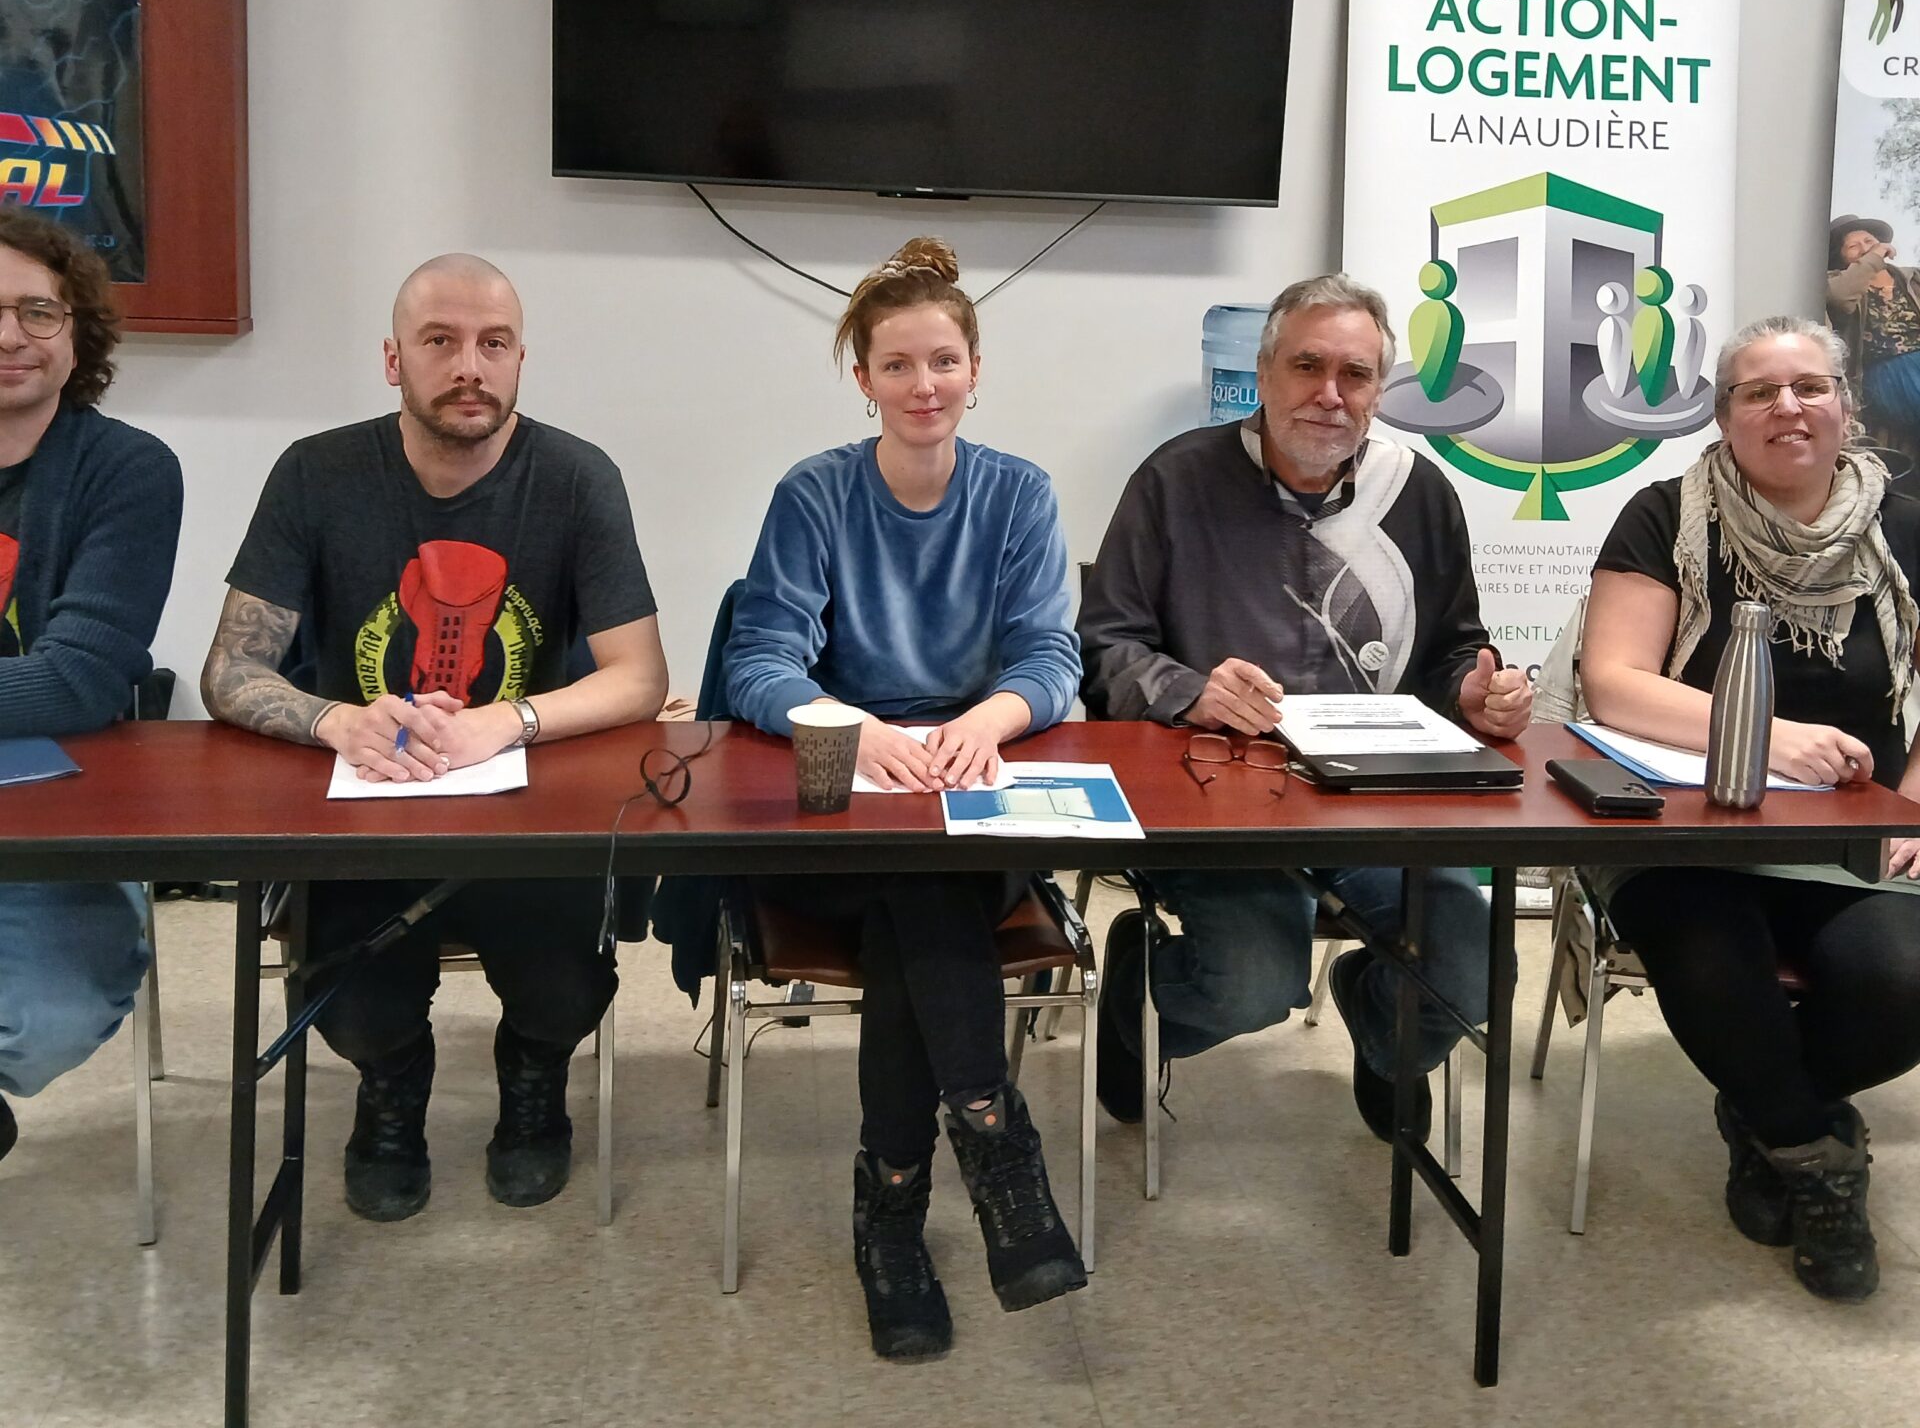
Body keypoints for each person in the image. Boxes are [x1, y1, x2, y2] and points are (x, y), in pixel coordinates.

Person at [201, 254, 665, 1221]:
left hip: (523, 806)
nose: (470, 366)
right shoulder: (316, 473)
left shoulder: (578, 478)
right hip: (362, 801)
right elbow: (229, 671)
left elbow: (641, 678)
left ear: (520, 360)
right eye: (440, 342)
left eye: (493, 344)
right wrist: (335, 719)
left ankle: (533, 1080)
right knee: (355, 1001)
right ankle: (392, 1088)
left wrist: (510, 719)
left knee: (566, 986)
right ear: (392, 359)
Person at [717, 237, 1085, 1361]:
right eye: (897, 365)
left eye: (943, 362)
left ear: (976, 370)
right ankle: (990, 1135)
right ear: (863, 378)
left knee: (914, 904)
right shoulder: (815, 493)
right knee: (915, 893)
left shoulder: (1019, 493)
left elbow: (1051, 656)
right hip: (843, 804)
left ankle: (892, 1211)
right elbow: (758, 661)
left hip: (972, 804)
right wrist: (864, 729)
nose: (923, 386)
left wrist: (984, 722)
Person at [1078, 274, 1530, 1138]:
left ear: (1378, 391)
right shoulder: (1176, 482)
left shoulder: (1419, 494)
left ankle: (1379, 1024)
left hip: (1377, 803)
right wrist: (1191, 690)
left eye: (1355, 376)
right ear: (1266, 371)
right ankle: (1142, 1002)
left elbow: (1450, 650)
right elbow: (1104, 646)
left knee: (1476, 972)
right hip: (1217, 799)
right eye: (1307, 367)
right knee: (1252, 981)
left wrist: (1474, 690)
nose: (1329, 395)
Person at [1581, 314, 1920, 1304]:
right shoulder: (1665, 516)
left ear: (1846, 405)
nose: (1789, 408)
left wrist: (1908, 806)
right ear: (1723, 416)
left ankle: (1767, 1115)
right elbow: (1615, 683)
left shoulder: (1907, 521)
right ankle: (1815, 1160)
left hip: (1853, 834)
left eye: (1810, 387)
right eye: (1759, 392)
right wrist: (1772, 737)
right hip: (1683, 832)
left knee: (1904, 983)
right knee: (1706, 958)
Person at [0, 211, 183, 1166]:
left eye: (37, 312)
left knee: (51, 1019)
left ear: (78, 337)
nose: (8, 337)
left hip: (55, 819)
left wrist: (42, 690)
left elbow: (78, 680)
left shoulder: (128, 470)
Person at [1824, 214, 1920, 457]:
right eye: (1853, 246)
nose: (1865, 249)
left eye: (1869, 241)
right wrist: (1872, 259)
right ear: (1842, 257)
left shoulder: (1911, 278)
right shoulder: (1839, 283)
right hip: (1886, 372)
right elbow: (1840, 298)